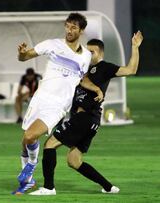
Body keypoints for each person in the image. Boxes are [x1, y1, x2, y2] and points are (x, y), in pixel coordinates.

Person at [35, 32, 143, 196]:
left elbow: (131, 70)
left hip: (84, 118)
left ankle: (48, 188)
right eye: (88, 51)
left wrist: (135, 47)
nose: (89, 54)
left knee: (49, 145)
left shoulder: (105, 67)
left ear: (100, 52)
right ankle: (109, 187)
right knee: (74, 161)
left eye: (92, 51)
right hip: (91, 121)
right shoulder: (83, 68)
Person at [13, 13, 104, 195]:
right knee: (26, 139)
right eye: (67, 26)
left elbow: (82, 78)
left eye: (74, 28)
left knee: (31, 136)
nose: (69, 30)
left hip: (58, 105)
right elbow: (25, 57)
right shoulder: (52, 44)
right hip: (40, 98)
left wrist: (96, 89)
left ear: (81, 30)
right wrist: (22, 54)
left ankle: (31, 166)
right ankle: (29, 180)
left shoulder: (86, 56)